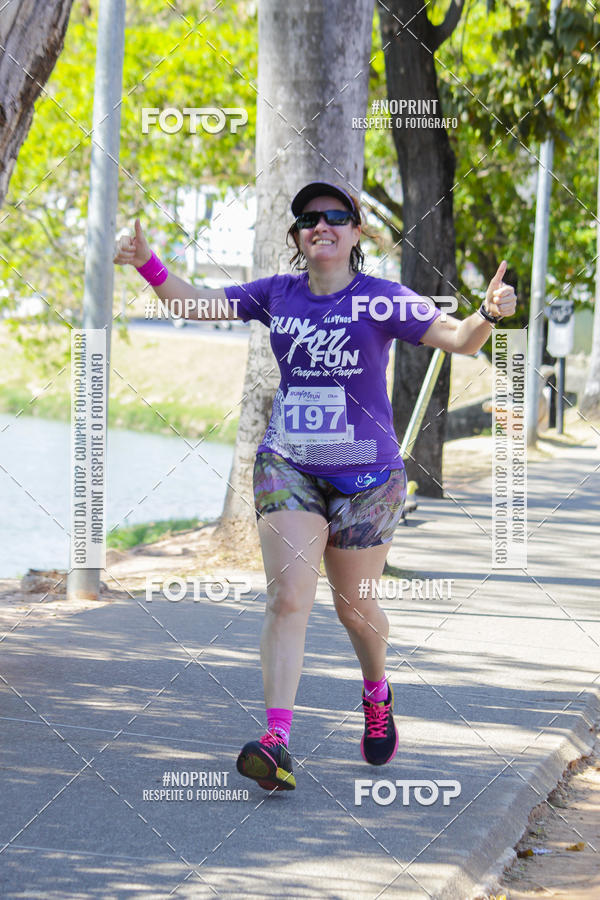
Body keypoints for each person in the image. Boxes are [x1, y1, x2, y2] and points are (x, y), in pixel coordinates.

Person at [114, 181, 516, 793]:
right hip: (289, 466)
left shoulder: (383, 300)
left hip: (368, 478)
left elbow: (458, 340)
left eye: (334, 216)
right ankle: (276, 741)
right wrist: (146, 260)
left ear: (356, 232)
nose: (320, 225)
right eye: (308, 218)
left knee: (354, 607)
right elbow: (193, 304)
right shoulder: (277, 295)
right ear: (297, 236)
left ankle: (376, 692)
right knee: (288, 598)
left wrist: (487, 313)